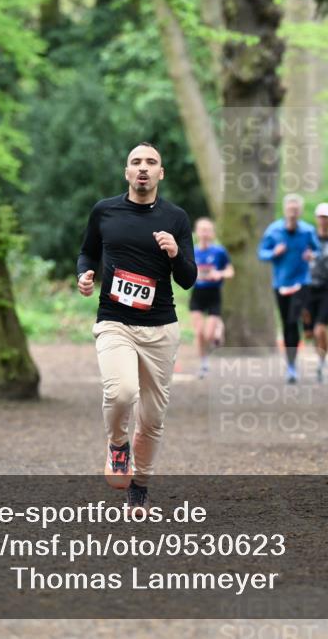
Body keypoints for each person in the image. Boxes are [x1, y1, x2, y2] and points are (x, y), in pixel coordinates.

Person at [77, 142, 196, 515]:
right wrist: (84, 274)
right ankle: (117, 444)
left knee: (153, 418)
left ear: (161, 173)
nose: (142, 168)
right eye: (135, 162)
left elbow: (189, 279)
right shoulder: (105, 211)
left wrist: (176, 253)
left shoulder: (176, 218)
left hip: (160, 328)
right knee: (123, 392)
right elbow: (87, 251)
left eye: (151, 163)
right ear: (127, 172)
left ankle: (140, 486)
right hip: (115, 321)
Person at [258, 193, 320, 384]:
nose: (293, 212)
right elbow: (261, 253)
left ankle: (307, 322)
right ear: (285, 210)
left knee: (294, 318)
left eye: (296, 209)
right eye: (290, 209)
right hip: (281, 283)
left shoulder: (308, 231)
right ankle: (291, 366)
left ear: (300, 211)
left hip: (301, 281)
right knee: (287, 324)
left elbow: (318, 250)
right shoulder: (274, 230)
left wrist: (312, 254)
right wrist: (273, 252)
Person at [302, 202, 328, 381]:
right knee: (310, 332)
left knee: (320, 330)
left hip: (327, 288)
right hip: (308, 287)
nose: (324, 220)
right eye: (321, 217)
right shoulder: (308, 238)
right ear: (317, 218)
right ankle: (320, 354)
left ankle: (322, 362)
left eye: (327, 217)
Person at [190, 217, 234, 378]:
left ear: (213, 233)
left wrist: (219, 273)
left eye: (208, 230)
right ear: (196, 232)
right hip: (197, 295)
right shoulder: (192, 251)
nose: (205, 233)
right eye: (202, 230)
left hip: (214, 294)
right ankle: (203, 363)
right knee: (199, 333)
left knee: (209, 335)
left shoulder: (219, 251)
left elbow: (230, 271)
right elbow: (184, 272)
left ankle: (218, 326)